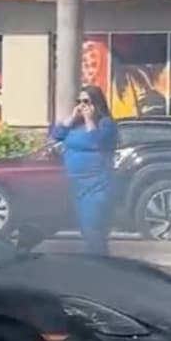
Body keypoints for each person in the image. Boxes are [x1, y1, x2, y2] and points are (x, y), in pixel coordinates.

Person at [50, 85, 118, 255]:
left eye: (86, 102)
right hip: (77, 185)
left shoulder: (106, 124)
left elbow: (97, 142)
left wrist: (89, 120)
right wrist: (72, 117)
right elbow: (57, 134)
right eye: (79, 101)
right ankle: (97, 262)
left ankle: (101, 266)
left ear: (96, 103)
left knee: (94, 229)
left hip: (96, 185)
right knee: (86, 231)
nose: (82, 106)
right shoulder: (75, 126)